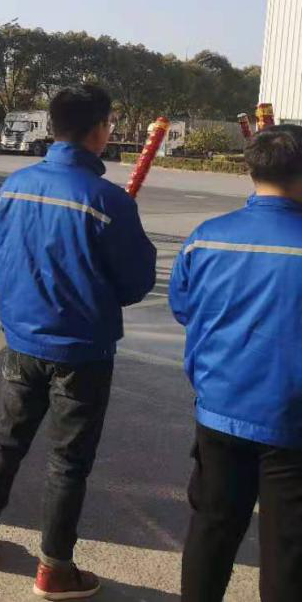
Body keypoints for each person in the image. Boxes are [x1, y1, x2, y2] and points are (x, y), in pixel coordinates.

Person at [0, 84, 156, 601]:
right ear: (99, 130)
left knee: (6, 439)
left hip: (23, 338)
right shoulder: (108, 201)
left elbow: (3, 255)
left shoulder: (16, 185)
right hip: (81, 349)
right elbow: (135, 283)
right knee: (68, 461)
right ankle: (53, 568)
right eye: (109, 124)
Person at [169, 124, 302, 602]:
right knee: (287, 549)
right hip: (290, 424)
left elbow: (184, 306)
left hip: (219, 412)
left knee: (212, 529)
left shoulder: (207, 238)